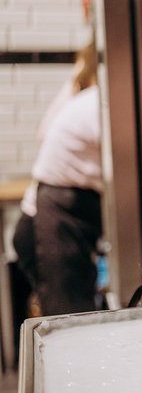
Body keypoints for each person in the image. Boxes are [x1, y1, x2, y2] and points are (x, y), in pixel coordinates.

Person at [12, 40, 104, 315]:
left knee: (69, 311)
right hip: (58, 211)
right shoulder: (96, 103)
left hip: (47, 207)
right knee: (69, 315)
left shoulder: (81, 97)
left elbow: (43, 133)